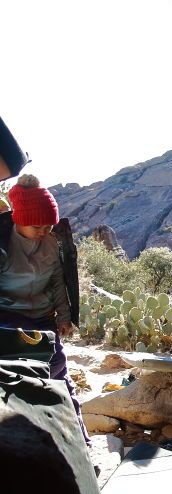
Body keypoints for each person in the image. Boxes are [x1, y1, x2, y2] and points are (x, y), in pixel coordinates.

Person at [0, 174, 89, 443]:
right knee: (10, 376)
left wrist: (63, 316)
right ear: (19, 219)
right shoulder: (3, 244)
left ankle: (77, 443)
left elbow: (57, 281)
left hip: (41, 316)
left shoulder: (52, 243)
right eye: (37, 225)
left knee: (56, 370)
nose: (43, 231)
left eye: (48, 225)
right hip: (6, 317)